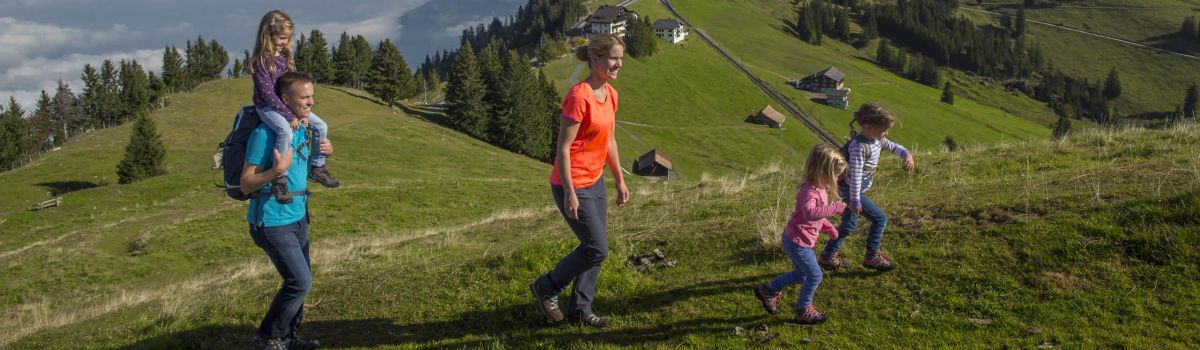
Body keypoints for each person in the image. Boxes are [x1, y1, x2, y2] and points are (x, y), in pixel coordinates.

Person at [529, 34, 630, 328]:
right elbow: (562, 148)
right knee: (597, 248)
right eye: (613, 58)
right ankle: (547, 287)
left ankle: (580, 311)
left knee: (594, 249)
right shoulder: (578, 95)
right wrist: (570, 193)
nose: (618, 64)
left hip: (595, 181)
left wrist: (619, 180)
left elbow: (609, 139)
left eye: (621, 59)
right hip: (571, 184)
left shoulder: (610, 94)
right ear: (596, 58)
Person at [241, 71, 332, 350]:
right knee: (300, 282)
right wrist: (276, 170)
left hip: (298, 216)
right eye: (304, 97)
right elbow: (246, 184)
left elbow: (303, 167)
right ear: (284, 99)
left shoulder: (303, 128)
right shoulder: (265, 134)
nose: (311, 102)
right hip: (271, 220)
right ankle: (268, 336)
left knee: (300, 281)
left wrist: (326, 151)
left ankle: (289, 337)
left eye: (312, 96)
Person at [753, 144, 847, 324]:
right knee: (815, 275)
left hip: (798, 240)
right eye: (835, 174)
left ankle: (768, 289)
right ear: (821, 171)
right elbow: (810, 213)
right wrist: (835, 208)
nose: (837, 178)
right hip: (797, 243)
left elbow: (816, 216)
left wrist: (827, 227)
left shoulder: (820, 189)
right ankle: (803, 310)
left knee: (803, 275)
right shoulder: (809, 191)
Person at [249, 10, 340, 193]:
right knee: (285, 130)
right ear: (268, 35)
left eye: (287, 38)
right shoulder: (261, 62)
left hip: (288, 104)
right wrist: (291, 115)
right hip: (267, 107)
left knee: (321, 126)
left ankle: (316, 166)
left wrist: (300, 112)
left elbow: (293, 86)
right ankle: (279, 175)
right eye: (281, 38)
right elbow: (268, 95)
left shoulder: (284, 59)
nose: (284, 42)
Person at [818, 103, 916, 272]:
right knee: (880, 219)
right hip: (851, 191)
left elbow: (894, 147)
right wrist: (855, 201)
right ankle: (871, 256)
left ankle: (827, 256)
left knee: (848, 225)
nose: (886, 133)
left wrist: (907, 155)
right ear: (869, 127)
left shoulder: (877, 140)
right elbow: (854, 176)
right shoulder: (859, 147)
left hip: (853, 192)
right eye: (884, 130)